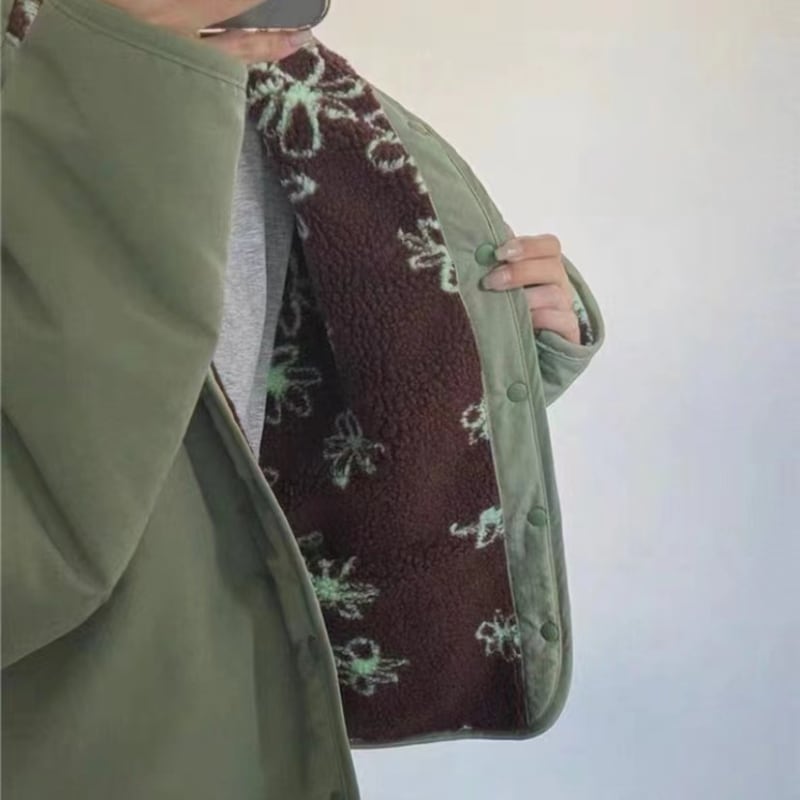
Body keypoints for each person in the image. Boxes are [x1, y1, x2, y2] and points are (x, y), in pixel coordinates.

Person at [1, 1, 605, 798]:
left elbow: (300, 425)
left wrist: (511, 345)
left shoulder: (293, 86)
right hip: (74, 731)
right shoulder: (61, 70)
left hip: (243, 720)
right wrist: (128, 69)